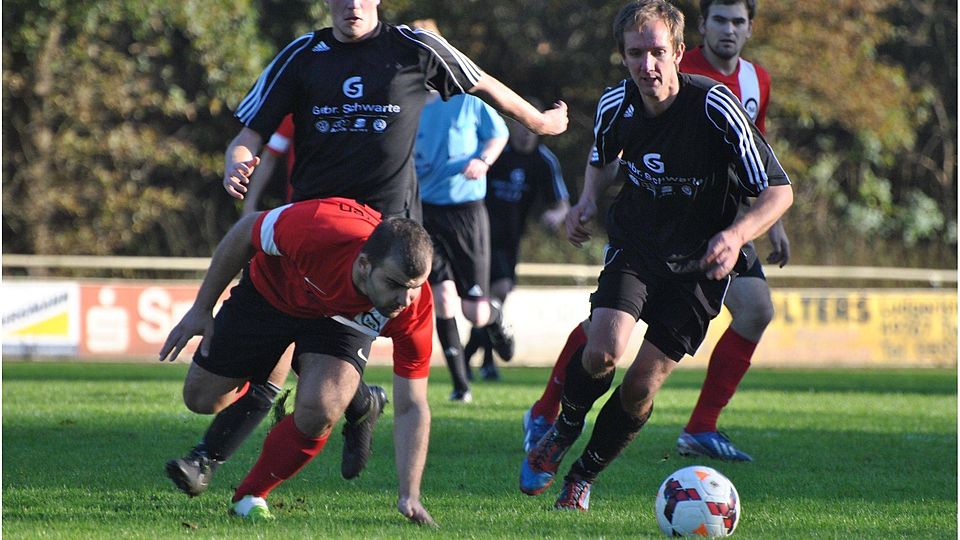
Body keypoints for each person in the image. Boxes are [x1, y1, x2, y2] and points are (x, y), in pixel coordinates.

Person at [167, 0, 568, 497]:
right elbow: (250, 132)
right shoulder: (301, 55)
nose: (352, 3)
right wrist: (238, 160)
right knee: (202, 397)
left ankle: (242, 461)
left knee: (317, 404)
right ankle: (357, 402)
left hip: (380, 253)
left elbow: (482, 82)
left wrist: (539, 123)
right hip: (308, 239)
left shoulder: (416, 49)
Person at [518, 0, 793, 512]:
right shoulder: (614, 105)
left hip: (700, 264)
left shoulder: (716, 106)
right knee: (602, 349)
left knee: (641, 386)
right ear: (623, 57)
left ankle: (584, 474)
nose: (647, 65)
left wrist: (736, 236)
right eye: (635, 53)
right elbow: (602, 160)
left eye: (657, 52)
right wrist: (585, 202)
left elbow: (778, 192)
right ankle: (563, 428)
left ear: (679, 52)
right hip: (637, 245)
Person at [160, 197, 436, 523]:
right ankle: (338, 394)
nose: (405, 299)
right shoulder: (317, 228)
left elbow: (412, 405)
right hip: (271, 295)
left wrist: (410, 495)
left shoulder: (412, 307)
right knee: (201, 398)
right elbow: (244, 231)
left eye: (414, 288)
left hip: (338, 324)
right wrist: (201, 308)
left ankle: (250, 495)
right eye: (394, 284)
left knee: (322, 406)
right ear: (364, 265)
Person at [414, 91, 509, 402]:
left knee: (476, 313)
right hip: (426, 213)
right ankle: (460, 386)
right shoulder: (406, 100)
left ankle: (495, 318)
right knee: (442, 298)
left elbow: (498, 134)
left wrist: (483, 160)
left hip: (466, 212)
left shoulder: (468, 100)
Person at [463, 108, 570, 381]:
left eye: (529, 127)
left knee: (494, 301)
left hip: (511, 240)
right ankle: (481, 360)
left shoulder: (544, 161)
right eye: (520, 126)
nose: (524, 132)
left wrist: (554, 216)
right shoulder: (496, 152)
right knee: (491, 296)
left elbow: (561, 203)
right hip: (480, 236)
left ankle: (470, 357)